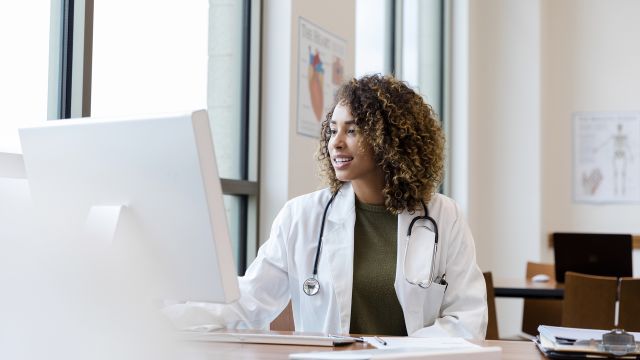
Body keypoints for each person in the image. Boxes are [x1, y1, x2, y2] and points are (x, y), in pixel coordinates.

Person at [164, 74, 487, 339]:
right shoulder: (301, 216)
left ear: (390, 141)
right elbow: (249, 301)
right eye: (333, 130)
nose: (336, 142)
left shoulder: (443, 217)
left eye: (353, 130)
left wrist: (395, 352)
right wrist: (166, 314)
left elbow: (467, 318)